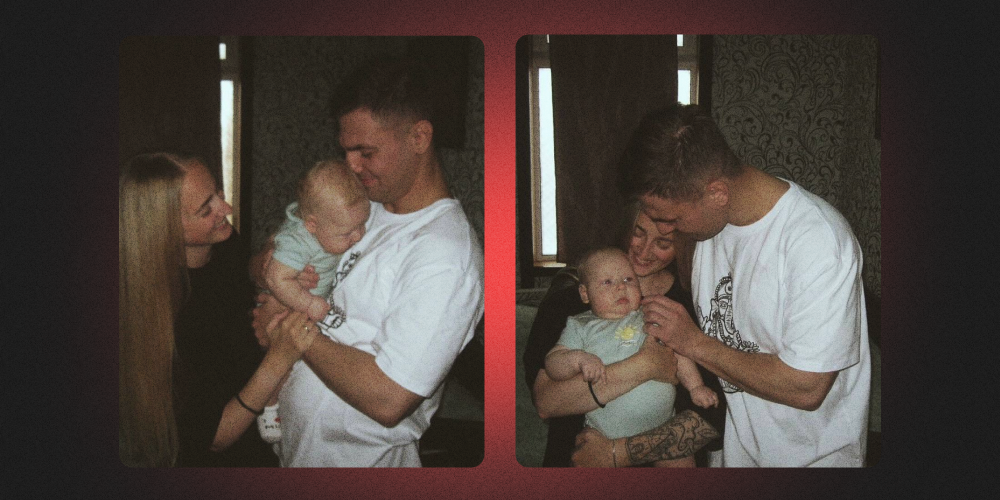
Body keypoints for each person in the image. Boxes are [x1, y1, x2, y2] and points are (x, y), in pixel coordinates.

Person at [252, 54, 485, 467]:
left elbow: (388, 398)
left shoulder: (446, 254)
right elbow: (263, 260)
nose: (351, 166)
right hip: (296, 453)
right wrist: (274, 277)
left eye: (365, 152)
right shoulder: (362, 204)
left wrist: (292, 328)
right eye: (345, 151)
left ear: (419, 137)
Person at [616, 103, 871, 467]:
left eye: (670, 219)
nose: (666, 229)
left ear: (717, 192)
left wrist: (693, 342)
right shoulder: (708, 229)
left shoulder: (817, 242)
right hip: (736, 456)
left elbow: (807, 387)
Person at [119, 152, 320, 467]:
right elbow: (215, 436)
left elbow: (237, 285)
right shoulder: (159, 319)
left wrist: (264, 270)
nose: (226, 209)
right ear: (164, 228)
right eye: (205, 209)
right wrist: (280, 356)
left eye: (218, 193)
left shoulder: (224, 244)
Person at [523, 205, 726, 467]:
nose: (644, 250)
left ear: (681, 246)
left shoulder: (691, 303)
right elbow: (547, 402)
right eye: (638, 233)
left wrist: (618, 453)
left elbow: (713, 416)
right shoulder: (568, 305)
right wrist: (646, 365)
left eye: (663, 243)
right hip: (582, 457)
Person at [256, 159, 370, 446]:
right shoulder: (297, 241)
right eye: (347, 233)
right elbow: (276, 278)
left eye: (362, 224)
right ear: (312, 225)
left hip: (306, 306)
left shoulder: (332, 224)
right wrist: (308, 304)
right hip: (286, 305)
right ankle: (268, 404)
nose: (358, 236)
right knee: (281, 361)